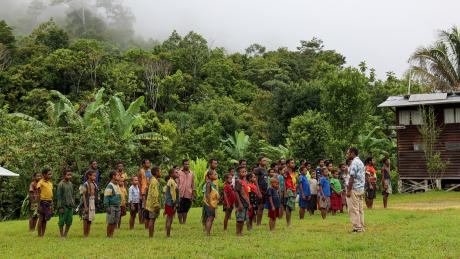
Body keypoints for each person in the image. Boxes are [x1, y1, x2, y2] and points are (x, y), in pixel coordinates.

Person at [346, 147, 366, 233]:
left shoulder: (354, 163)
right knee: (360, 209)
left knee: (353, 209)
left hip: (354, 189)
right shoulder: (360, 162)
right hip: (361, 189)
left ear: (352, 153)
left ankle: (357, 228)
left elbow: (352, 177)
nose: (347, 155)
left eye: (348, 153)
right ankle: (361, 225)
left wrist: (349, 190)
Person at [56, 169, 74, 237]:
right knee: (61, 221)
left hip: (70, 206)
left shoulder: (71, 184)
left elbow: (72, 194)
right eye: (68, 175)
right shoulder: (61, 184)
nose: (70, 176)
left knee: (69, 221)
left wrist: (72, 202)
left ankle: (65, 234)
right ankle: (61, 235)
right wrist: (60, 207)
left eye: (70, 175)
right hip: (63, 206)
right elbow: (59, 196)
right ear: (64, 175)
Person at [104, 171, 122, 238]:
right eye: (117, 175)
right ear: (113, 176)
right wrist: (107, 206)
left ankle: (111, 235)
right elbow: (106, 197)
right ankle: (108, 235)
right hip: (111, 206)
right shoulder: (110, 185)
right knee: (110, 221)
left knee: (115, 222)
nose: (119, 177)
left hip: (117, 206)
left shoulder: (117, 185)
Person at [145, 166, 161, 238]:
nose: (160, 173)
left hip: (150, 203)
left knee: (152, 219)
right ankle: (150, 236)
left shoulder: (152, 180)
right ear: (156, 172)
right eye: (159, 171)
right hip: (153, 204)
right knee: (152, 219)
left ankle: (151, 235)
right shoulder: (154, 181)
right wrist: (156, 204)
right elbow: (155, 194)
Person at [202, 169, 219, 236]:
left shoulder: (212, 183)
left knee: (210, 218)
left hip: (212, 203)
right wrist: (210, 204)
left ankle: (208, 231)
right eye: (214, 174)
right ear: (210, 176)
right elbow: (207, 194)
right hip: (209, 203)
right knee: (210, 218)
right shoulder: (209, 184)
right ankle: (208, 233)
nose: (216, 175)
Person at [177, 159, 195, 224]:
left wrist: (193, 195)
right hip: (180, 194)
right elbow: (177, 183)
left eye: (188, 164)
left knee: (185, 209)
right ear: (183, 165)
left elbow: (193, 184)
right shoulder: (179, 173)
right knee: (179, 209)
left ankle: (184, 222)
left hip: (188, 194)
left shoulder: (191, 173)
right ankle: (180, 222)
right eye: (185, 164)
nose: (187, 165)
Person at [37, 168, 53, 237]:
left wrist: (52, 203)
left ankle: (43, 234)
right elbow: (38, 194)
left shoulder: (50, 183)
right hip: (42, 201)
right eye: (48, 174)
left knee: (46, 218)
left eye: (50, 174)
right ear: (44, 174)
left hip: (49, 201)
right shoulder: (40, 183)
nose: (50, 175)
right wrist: (38, 205)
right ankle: (39, 234)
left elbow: (51, 194)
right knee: (41, 218)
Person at [81, 169, 98, 237]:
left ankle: (87, 234)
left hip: (92, 201)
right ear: (89, 176)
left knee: (90, 218)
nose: (95, 177)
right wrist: (85, 206)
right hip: (86, 202)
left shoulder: (94, 184)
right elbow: (82, 195)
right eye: (94, 176)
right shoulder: (84, 184)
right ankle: (85, 234)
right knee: (85, 218)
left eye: (95, 176)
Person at [234, 166, 250, 236]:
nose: (244, 173)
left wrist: (248, 202)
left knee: (243, 218)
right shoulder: (238, 181)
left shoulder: (245, 181)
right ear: (238, 173)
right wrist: (239, 203)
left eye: (245, 171)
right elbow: (236, 192)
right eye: (242, 172)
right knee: (239, 219)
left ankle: (241, 231)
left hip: (245, 202)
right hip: (241, 202)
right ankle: (238, 232)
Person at [164, 168, 179, 237]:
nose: (177, 173)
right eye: (176, 172)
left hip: (169, 203)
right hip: (170, 203)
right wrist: (174, 203)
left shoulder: (172, 181)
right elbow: (173, 193)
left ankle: (167, 233)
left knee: (169, 218)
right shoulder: (171, 182)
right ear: (171, 174)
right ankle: (168, 235)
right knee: (170, 218)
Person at [254, 157, 268, 226]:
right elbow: (255, 180)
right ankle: (258, 223)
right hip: (260, 189)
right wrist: (258, 191)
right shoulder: (257, 169)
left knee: (262, 207)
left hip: (265, 190)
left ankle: (259, 222)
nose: (265, 161)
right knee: (259, 206)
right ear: (259, 161)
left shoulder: (265, 169)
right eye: (263, 160)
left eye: (266, 160)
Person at [138, 159, 151, 224]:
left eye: (149, 163)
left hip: (148, 191)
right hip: (143, 192)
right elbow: (139, 182)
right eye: (147, 163)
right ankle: (141, 221)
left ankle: (145, 220)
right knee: (142, 207)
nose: (148, 164)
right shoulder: (141, 171)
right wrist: (140, 193)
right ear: (143, 164)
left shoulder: (149, 171)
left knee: (147, 206)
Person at [284, 159, 296, 226]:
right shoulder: (286, 172)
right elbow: (284, 183)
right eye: (292, 163)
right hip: (288, 190)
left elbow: (294, 182)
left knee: (291, 207)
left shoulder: (293, 172)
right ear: (288, 164)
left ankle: (289, 222)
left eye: (293, 163)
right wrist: (285, 192)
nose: (293, 164)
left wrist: (295, 191)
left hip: (293, 190)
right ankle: (288, 223)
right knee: (288, 206)